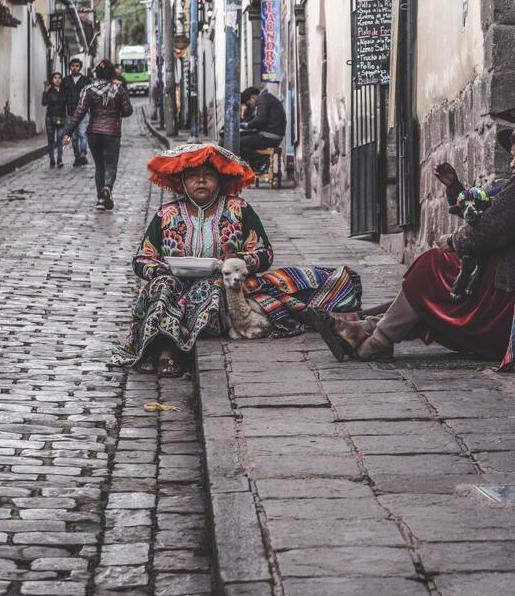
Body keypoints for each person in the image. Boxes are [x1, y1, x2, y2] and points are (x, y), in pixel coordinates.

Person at [113, 143, 363, 377]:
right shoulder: (165, 215)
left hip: (219, 282)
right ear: (182, 182)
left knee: (209, 290)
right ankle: (154, 348)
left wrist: (239, 259)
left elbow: (264, 254)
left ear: (220, 180)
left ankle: (172, 351)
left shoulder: (238, 210)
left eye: (208, 175)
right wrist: (161, 269)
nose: (201, 180)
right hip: (174, 280)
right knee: (163, 288)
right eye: (193, 176)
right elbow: (141, 259)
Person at [311, 128, 515, 371]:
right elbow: (482, 206)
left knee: (433, 267)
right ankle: (364, 330)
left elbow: (490, 229)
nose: (511, 162)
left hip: (504, 293)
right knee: (434, 278)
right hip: (496, 279)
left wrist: (454, 241)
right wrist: (454, 188)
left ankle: (375, 339)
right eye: (511, 156)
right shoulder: (509, 186)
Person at [62, 58, 133, 211]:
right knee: (111, 165)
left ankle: (101, 200)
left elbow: (79, 112)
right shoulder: (119, 90)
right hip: (112, 133)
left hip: (93, 132)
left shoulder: (89, 89)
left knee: (99, 166)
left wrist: (68, 132)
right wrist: (117, 109)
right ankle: (107, 188)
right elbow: (128, 111)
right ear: (112, 73)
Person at [239, 86, 287, 172]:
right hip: (272, 135)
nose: (251, 106)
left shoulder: (262, 99)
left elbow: (261, 119)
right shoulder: (266, 98)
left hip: (270, 136)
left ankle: (262, 161)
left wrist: (247, 125)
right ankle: (258, 163)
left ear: (252, 97)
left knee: (238, 144)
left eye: (249, 103)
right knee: (243, 142)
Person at [63, 57, 90, 167]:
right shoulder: (66, 81)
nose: (74, 68)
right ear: (70, 67)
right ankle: (77, 156)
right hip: (70, 112)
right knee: (73, 136)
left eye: (77, 66)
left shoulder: (86, 80)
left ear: (80, 67)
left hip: (82, 112)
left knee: (82, 134)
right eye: (73, 66)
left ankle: (83, 155)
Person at [42, 72, 68, 169]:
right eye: (55, 78)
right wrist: (45, 91)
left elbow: (67, 103)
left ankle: (60, 159)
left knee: (60, 139)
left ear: (61, 80)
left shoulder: (64, 91)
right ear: (52, 80)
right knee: (51, 140)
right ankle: (52, 160)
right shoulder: (49, 90)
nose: (57, 80)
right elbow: (44, 103)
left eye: (59, 78)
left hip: (61, 118)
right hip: (50, 118)